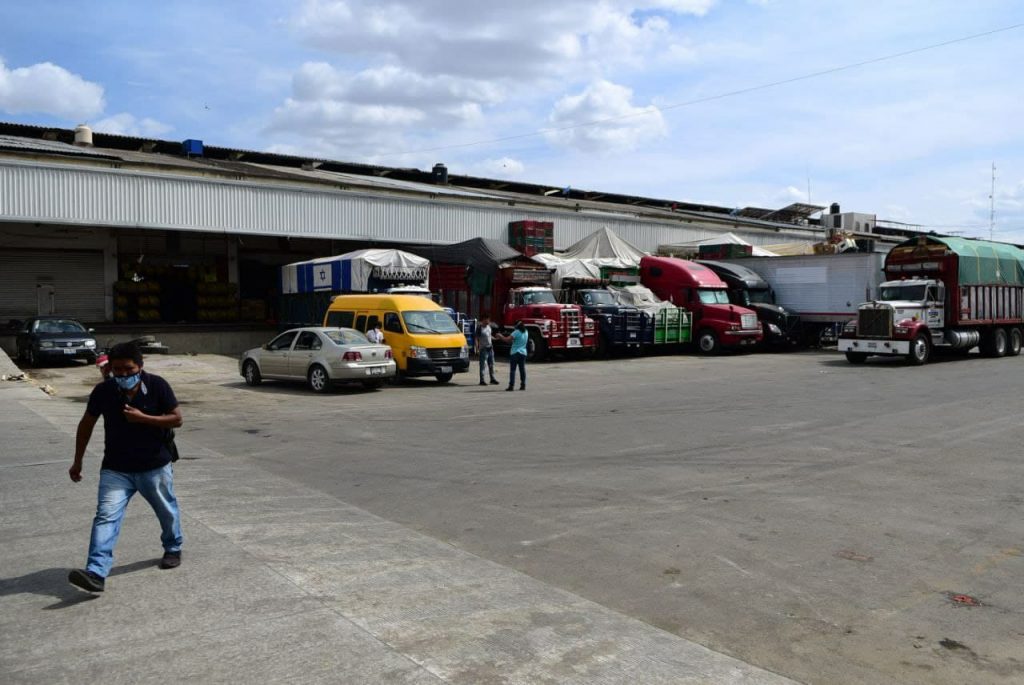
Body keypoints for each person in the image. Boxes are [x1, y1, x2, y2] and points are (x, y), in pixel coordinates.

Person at [67, 342, 184, 594]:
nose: (122, 374)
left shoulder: (157, 385)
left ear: (140, 367)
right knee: (106, 516)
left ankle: (173, 547)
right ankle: (96, 572)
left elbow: (177, 419)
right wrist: (78, 460)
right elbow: (86, 424)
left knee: (166, 510)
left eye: (128, 369)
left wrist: (145, 418)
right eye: (117, 369)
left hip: (154, 466)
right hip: (116, 469)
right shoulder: (104, 391)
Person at [497, 321, 528, 391]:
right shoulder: (526, 332)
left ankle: (511, 386)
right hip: (523, 353)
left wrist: (500, 336)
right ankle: (523, 384)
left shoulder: (516, 332)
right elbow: (517, 341)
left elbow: (507, 340)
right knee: (522, 369)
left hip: (515, 353)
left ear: (517, 326)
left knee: (513, 370)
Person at [475, 313, 499, 386]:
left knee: (491, 364)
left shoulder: (489, 327)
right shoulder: (479, 328)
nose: (488, 321)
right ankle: (482, 380)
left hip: (490, 348)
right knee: (483, 365)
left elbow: (489, 335)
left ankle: (492, 379)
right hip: (483, 349)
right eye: (487, 319)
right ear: (483, 320)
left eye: (489, 319)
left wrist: (495, 338)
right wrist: (477, 349)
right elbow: (476, 339)